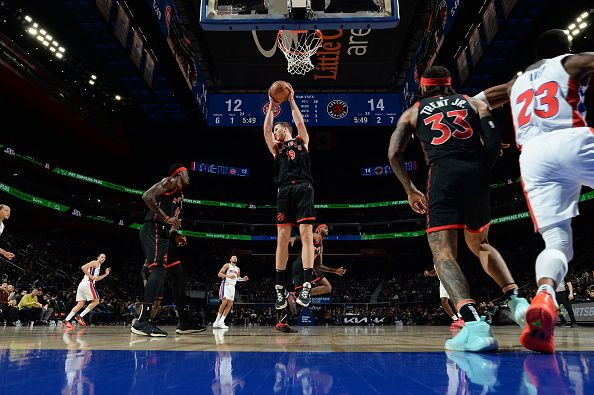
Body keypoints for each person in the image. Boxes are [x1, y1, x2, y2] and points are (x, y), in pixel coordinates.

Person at [388, 65, 529, 352]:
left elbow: (393, 153)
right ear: (449, 85)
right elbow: (494, 146)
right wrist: (480, 168)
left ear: (425, 88)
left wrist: (410, 189)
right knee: (482, 244)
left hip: (443, 175)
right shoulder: (473, 102)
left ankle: (474, 324)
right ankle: (518, 301)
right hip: (476, 174)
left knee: (442, 253)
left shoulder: (413, 112)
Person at [477, 29, 593, 353]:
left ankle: (544, 295)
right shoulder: (569, 62)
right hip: (570, 137)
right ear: (566, 48)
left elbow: (478, 101)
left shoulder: (518, 81)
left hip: (532, 158)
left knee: (557, 242)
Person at [131, 164, 206, 337]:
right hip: (153, 229)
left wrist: (176, 234)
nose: (189, 176)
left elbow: (171, 222)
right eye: (186, 173)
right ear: (179, 173)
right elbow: (146, 196)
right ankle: (143, 321)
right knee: (158, 269)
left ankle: (184, 322)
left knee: (178, 276)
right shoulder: (169, 182)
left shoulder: (180, 195)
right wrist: (165, 218)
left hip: (164, 233)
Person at [263, 84, 316, 312]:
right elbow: (265, 132)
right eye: (274, 131)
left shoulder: (302, 141)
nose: (274, 132)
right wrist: (271, 108)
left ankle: (305, 285)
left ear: (286, 129)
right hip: (284, 190)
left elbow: (300, 122)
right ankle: (279, 288)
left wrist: (292, 99)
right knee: (282, 238)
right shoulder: (277, 148)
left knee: (306, 235)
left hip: (304, 187)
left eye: (277, 129)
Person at [276, 224, 346, 333]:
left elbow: (320, 265)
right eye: (324, 227)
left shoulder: (321, 246)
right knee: (302, 302)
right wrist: (295, 238)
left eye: (327, 228)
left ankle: (284, 318)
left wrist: (334, 271)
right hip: (301, 264)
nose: (327, 229)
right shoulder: (315, 236)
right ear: (318, 230)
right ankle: (284, 319)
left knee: (327, 288)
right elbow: (305, 235)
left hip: (312, 267)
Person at [63, 253, 111, 329]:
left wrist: (106, 274)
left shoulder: (98, 266)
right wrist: (90, 276)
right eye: (102, 257)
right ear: (98, 257)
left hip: (82, 284)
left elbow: (97, 279)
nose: (103, 259)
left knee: (80, 304)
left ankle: (66, 320)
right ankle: (79, 316)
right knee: (96, 301)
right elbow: (83, 267)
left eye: (104, 258)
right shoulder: (95, 262)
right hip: (88, 284)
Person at [213, 255, 249, 329]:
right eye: (233, 257)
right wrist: (228, 276)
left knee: (230, 304)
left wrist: (243, 279)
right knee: (224, 302)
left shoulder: (238, 269)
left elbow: (237, 278)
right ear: (230, 259)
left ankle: (221, 321)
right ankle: (216, 321)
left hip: (232, 286)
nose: (235, 257)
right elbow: (219, 274)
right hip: (225, 284)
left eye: (236, 257)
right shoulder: (227, 265)